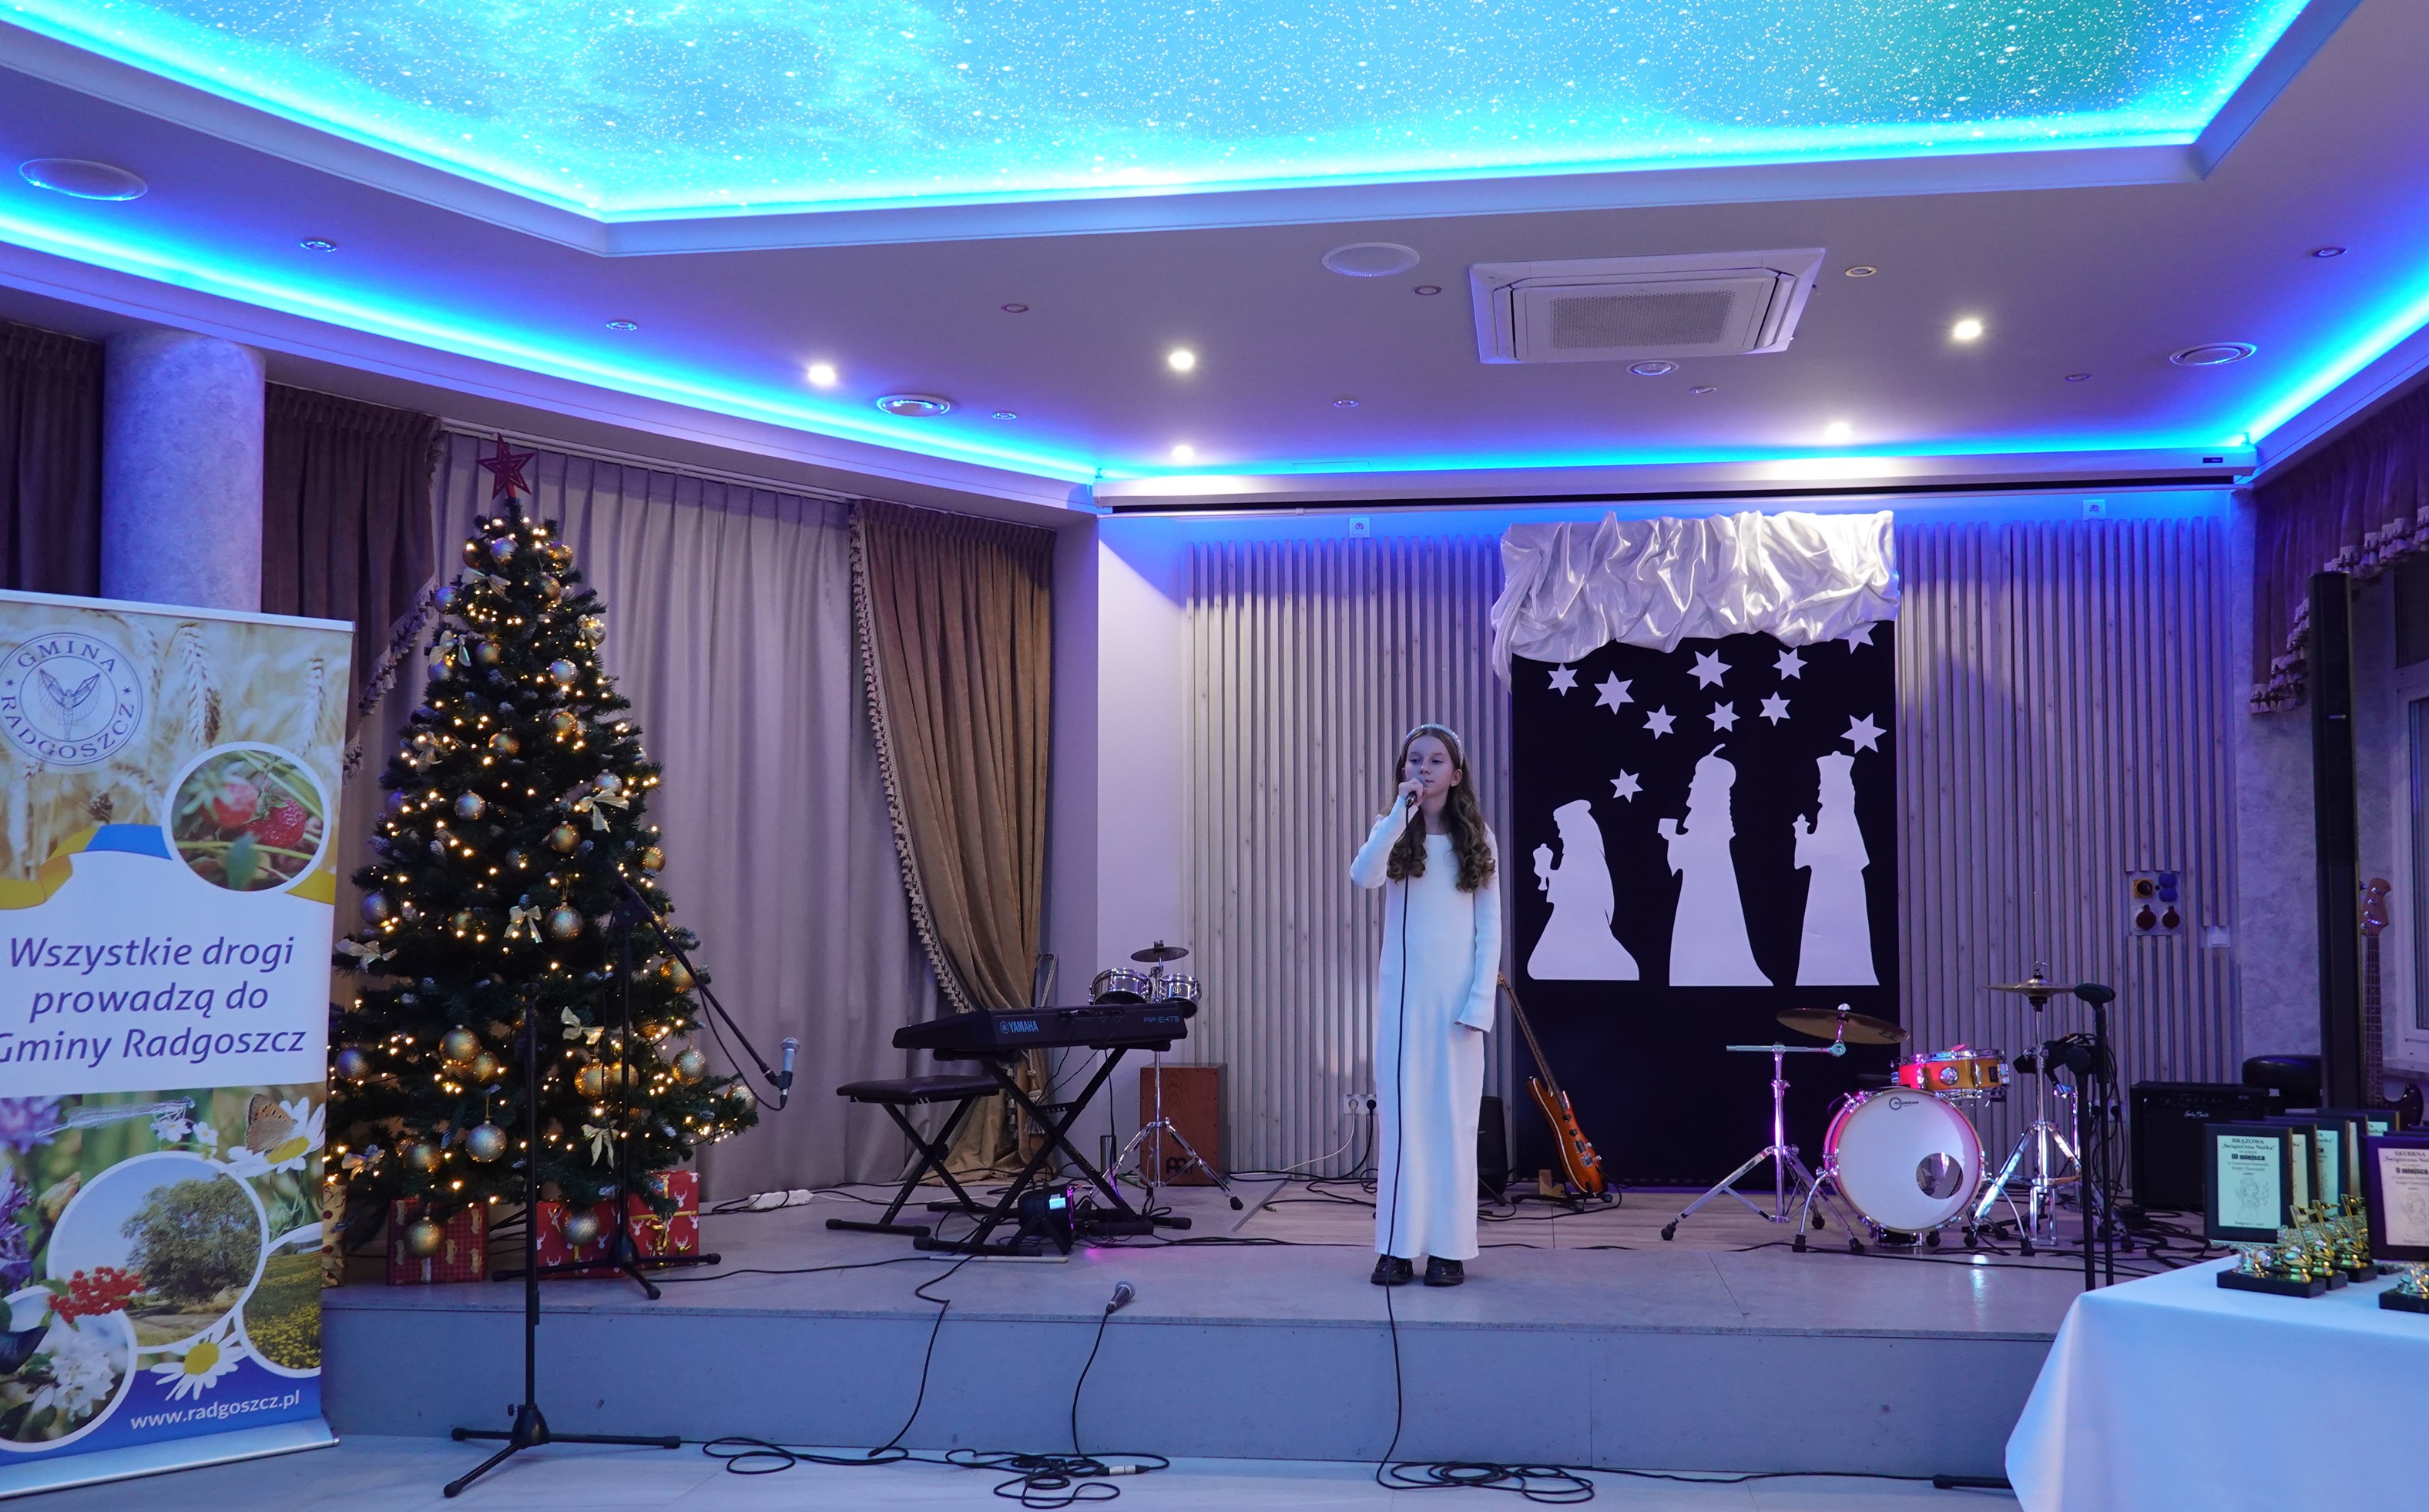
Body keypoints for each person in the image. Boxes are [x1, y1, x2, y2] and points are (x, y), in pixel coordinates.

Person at [1349, 723, 1501, 1287]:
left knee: (1452, 1124)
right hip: (1403, 1004)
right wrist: (1398, 813)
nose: (1424, 768)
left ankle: (1448, 1248)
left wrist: (1479, 1003)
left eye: (1436, 760)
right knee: (1403, 1122)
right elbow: (1362, 875)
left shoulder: (1476, 837)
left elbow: (1489, 928)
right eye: (1415, 759)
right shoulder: (1392, 828)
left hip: (1456, 1005)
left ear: (1455, 775)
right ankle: (1395, 1247)